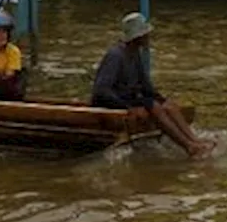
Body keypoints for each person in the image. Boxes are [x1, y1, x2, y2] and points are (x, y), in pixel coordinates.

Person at [90, 12, 215, 159]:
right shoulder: (116, 55)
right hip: (112, 101)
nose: (148, 37)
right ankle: (189, 147)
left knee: (168, 105)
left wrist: (163, 100)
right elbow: (101, 91)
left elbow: (146, 86)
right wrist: (128, 108)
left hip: (127, 99)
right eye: (145, 34)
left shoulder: (135, 54)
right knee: (153, 106)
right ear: (137, 37)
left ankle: (194, 140)